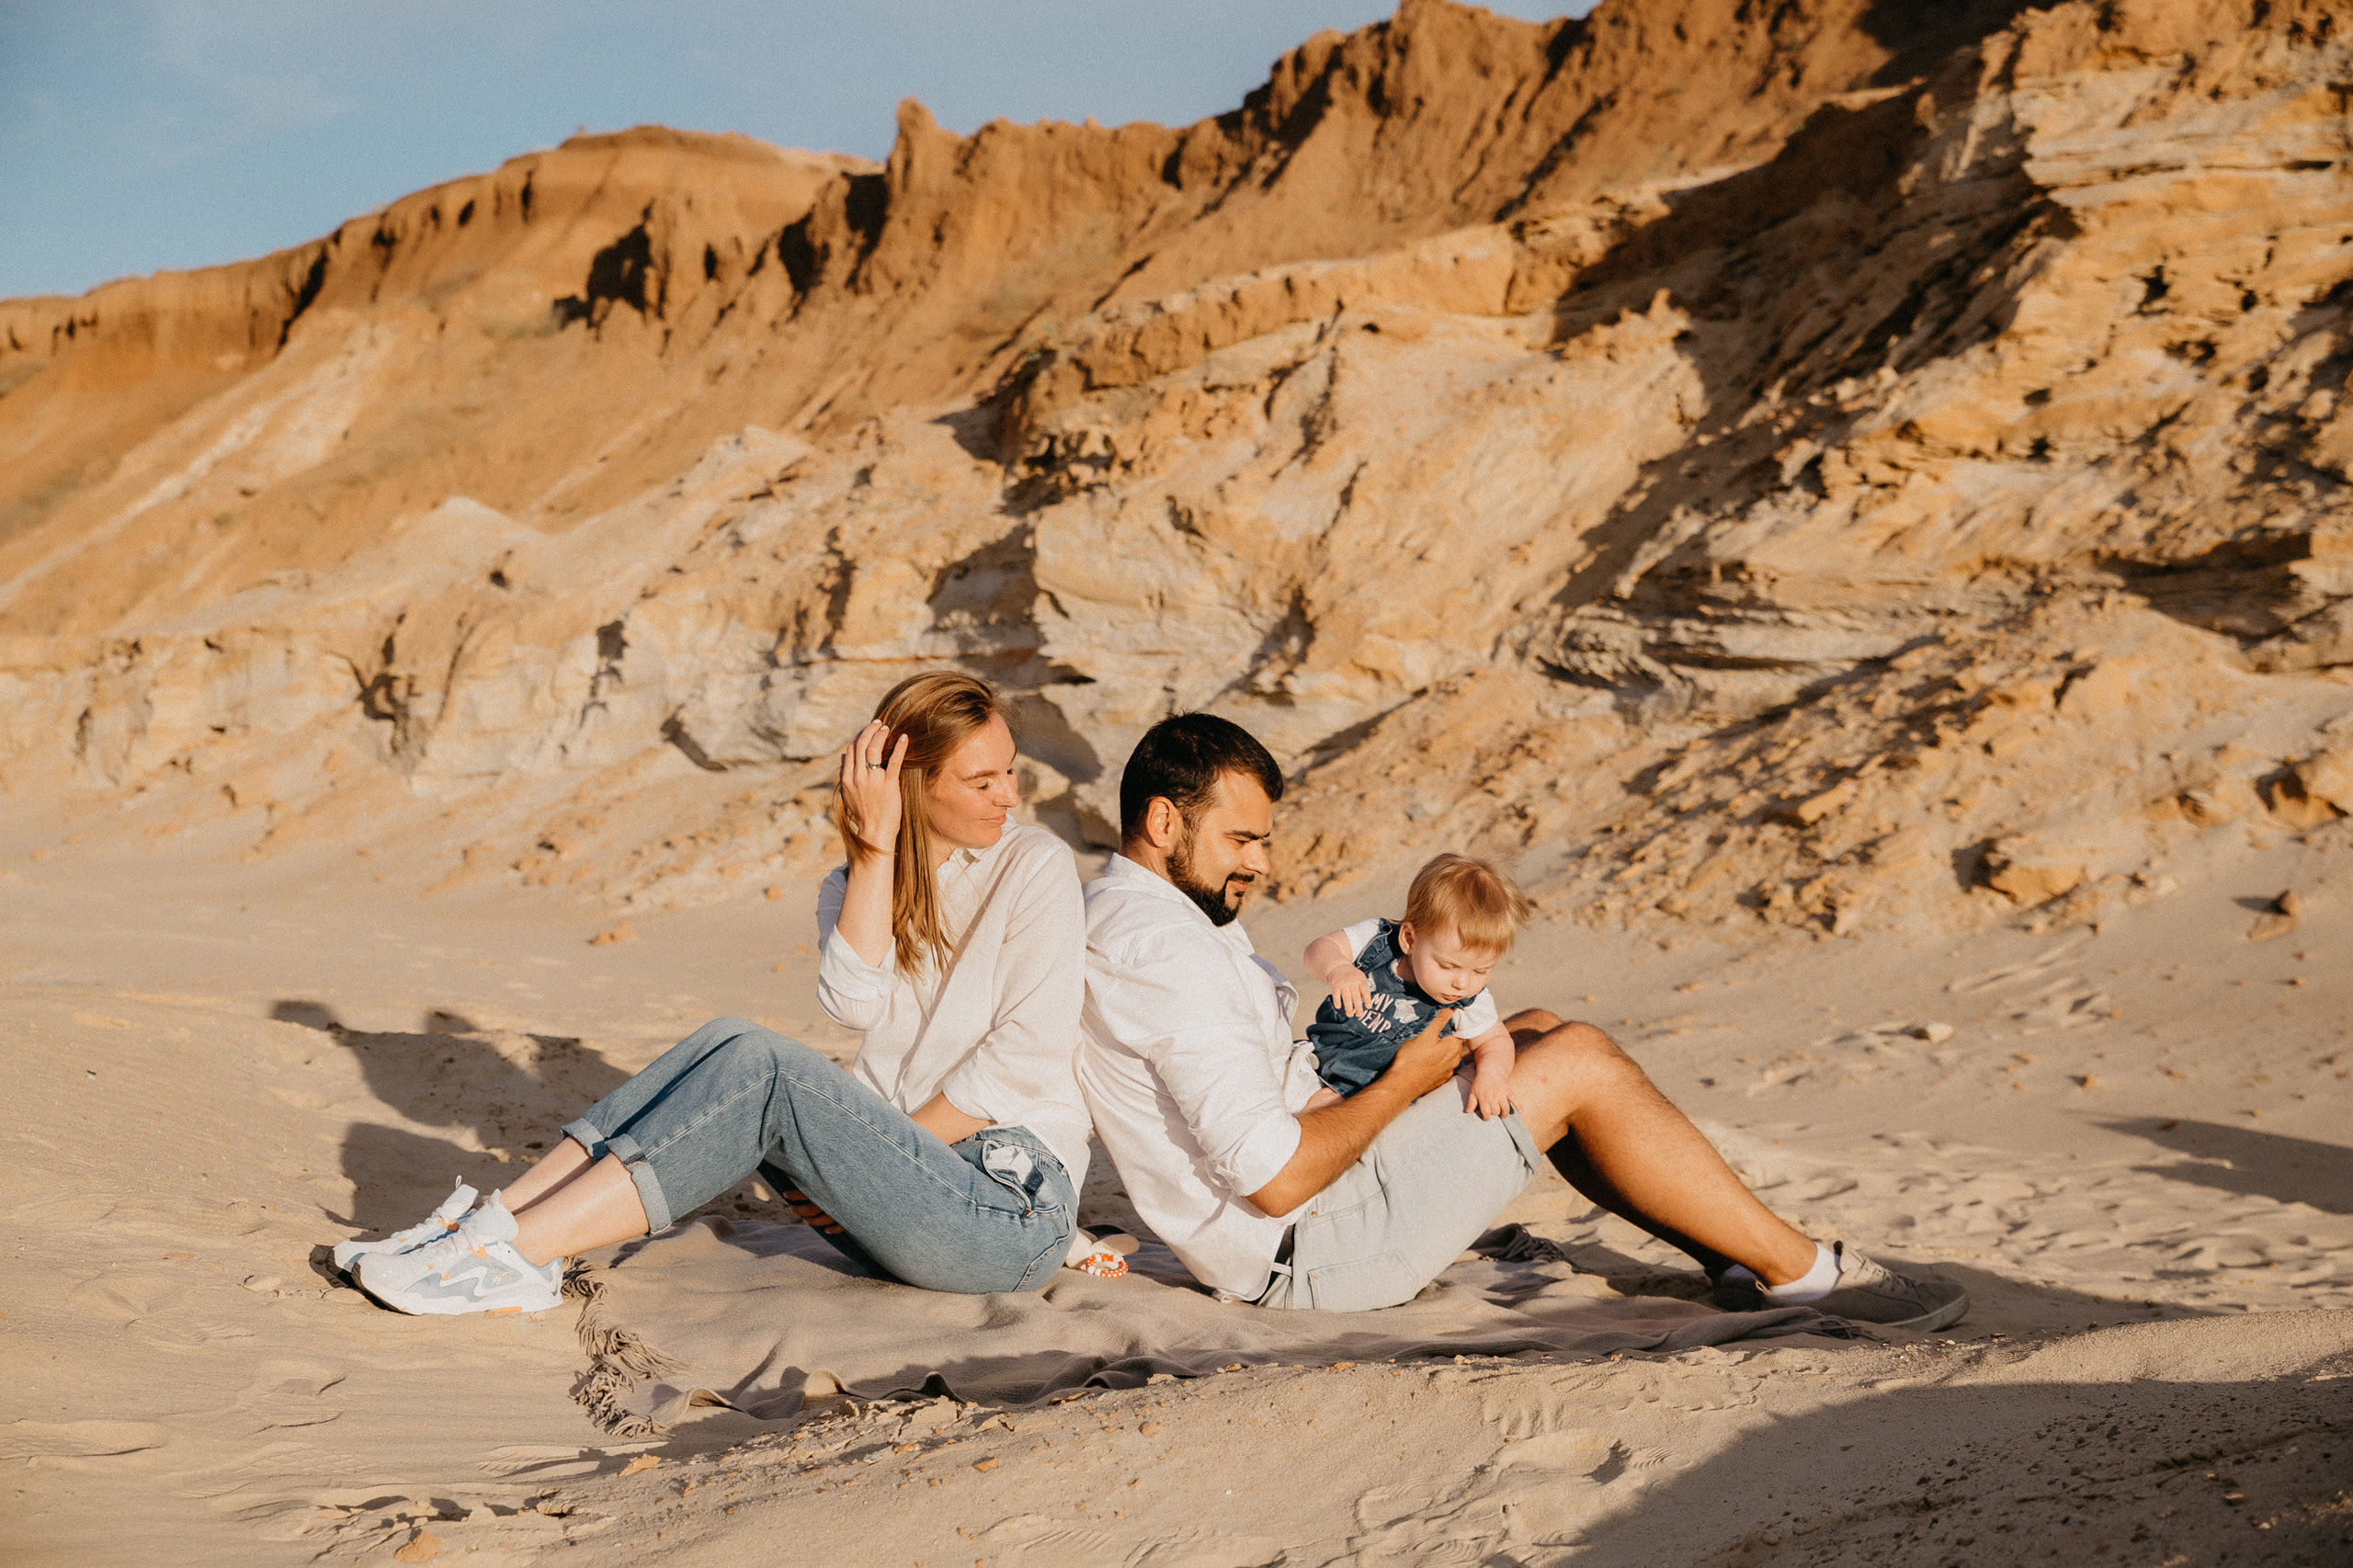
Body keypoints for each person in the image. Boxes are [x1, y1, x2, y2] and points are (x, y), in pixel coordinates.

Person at [1074, 712, 1969, 1328]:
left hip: (1310, 1206)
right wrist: (1401, 1083)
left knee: (1529, 1026)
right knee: (1573, 1061)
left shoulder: (1156, 920)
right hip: (1304, 1250)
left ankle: (1725, 1255)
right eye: (1243, 839)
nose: (1262, 863)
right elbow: (1270, 1180)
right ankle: (1803, 1272)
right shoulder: (1167, 954)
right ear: (1164, 819)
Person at [344, 671, 1091, 1315]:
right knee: (728, 1038)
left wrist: (878, 1153)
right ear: (910, 784)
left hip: (1008, 1210)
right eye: (983, 780)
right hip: (908, 1206)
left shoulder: (1035, 865)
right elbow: (852, 1004)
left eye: (1010, 772)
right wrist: (874, 851)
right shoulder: (855, 883)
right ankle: (490, 1228)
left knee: (765, 1068)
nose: (1009, 797)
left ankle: (521, 1257)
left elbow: (1024, 1062)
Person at [1300, 852, 1525, 1121]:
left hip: (1380, 1091)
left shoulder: (1468, 999)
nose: (1462, 983)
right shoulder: (1378, 940)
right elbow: (1319, 949)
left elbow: (1495, 1041)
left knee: (1316, 1118)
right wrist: (1337, 968)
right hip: (1318, 1055)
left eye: (1481, 970)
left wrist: (1491, 1076)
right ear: (1409, 939)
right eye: (1447, 966)